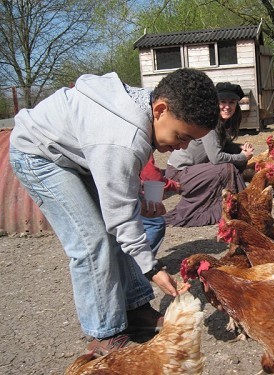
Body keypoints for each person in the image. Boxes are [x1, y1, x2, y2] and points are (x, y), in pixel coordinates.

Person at [9, 68, 219, 355]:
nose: (181, 147)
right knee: (92, 242)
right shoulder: (125, 138)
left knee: (118, 232)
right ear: (160, 109)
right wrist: (152, 268)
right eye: (182, 136)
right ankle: (104, 331)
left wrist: (137, 196)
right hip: (39, 154)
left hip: (75, 155)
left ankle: (134, 310)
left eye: (189, 142)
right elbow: (120, 216)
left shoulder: (144, 115)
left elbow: (121, 193)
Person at [162, 82, 255, 227]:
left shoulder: (221, 123)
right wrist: (242, 157)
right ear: (215, 103)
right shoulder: (210, 123)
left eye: (232, 102)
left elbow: (221, 145)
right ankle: (237, 208)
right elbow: (216, 158)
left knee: (231, 166)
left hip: (196, 171)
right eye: (222, 102)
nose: (227, 106)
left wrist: (239, 147)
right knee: (227, 168)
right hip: (179, 174)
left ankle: (236, 207)